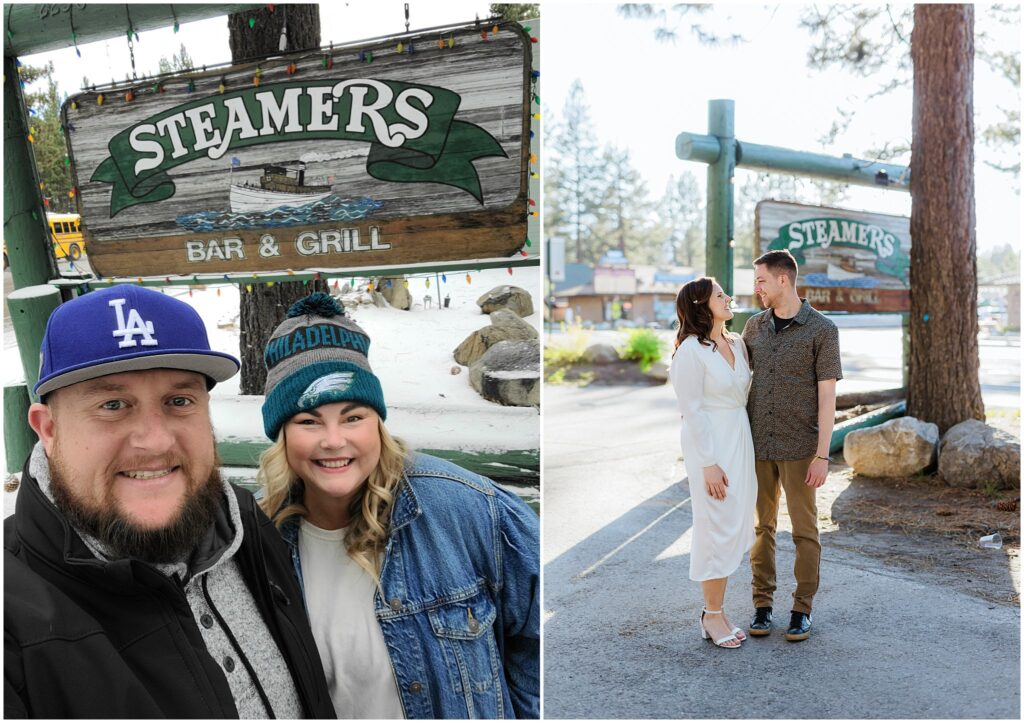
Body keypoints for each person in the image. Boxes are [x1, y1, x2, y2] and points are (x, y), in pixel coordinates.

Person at [4, 285, 335, 718]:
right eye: (113, 404)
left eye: (179, 401)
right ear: (48, 430)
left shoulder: (242, 523)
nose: (156, 440)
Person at [256, 292, 540, 719]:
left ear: (378, 423)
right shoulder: (260, 541)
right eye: (309, 421)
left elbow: (537, 640)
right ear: (281, 435)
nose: (334, 440)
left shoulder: (466, 508)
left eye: (354, 417)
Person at [741, 249, 842, 642]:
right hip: (757, 445)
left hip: (801, 448)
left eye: (761, 280)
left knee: (804, 531)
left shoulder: (822, 330)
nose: (757, 288)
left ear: (784, 280)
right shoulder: (753, 327)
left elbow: (827, 398)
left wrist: (822, 454)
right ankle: (762, 606)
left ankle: (802, 609)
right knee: (760, 528)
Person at [670, 277, 756, 650]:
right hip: (710, 445)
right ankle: (712, 614)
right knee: (714, 526)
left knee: (735, 524)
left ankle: (718, 609)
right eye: (719, 295)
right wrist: (707, 463)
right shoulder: (690, 351)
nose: (727, 297)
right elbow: (691, 410)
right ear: (701, 305)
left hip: (740, 438)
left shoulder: (737, 342)